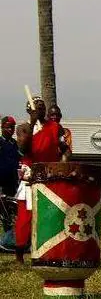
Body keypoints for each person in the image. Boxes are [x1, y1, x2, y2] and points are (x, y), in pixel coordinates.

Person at [14, 97, 69, 264]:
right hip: (31, 176)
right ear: (29, 109)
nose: (40, 108)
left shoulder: (55, 127)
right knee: (25, 218)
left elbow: (64, 149)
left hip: (50, 175)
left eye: (42, 106)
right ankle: (20, 253)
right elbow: (23, 148)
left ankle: (49, 249)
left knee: (50, 214)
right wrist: (32, 122)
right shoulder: (23, 128)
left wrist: (63, 165)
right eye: (36, 106)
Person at [0, 116, 19, 197]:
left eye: (12, 127)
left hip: (12, 183)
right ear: (2, 128)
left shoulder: (15, 143)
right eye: (7, 127)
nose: (10, 130)